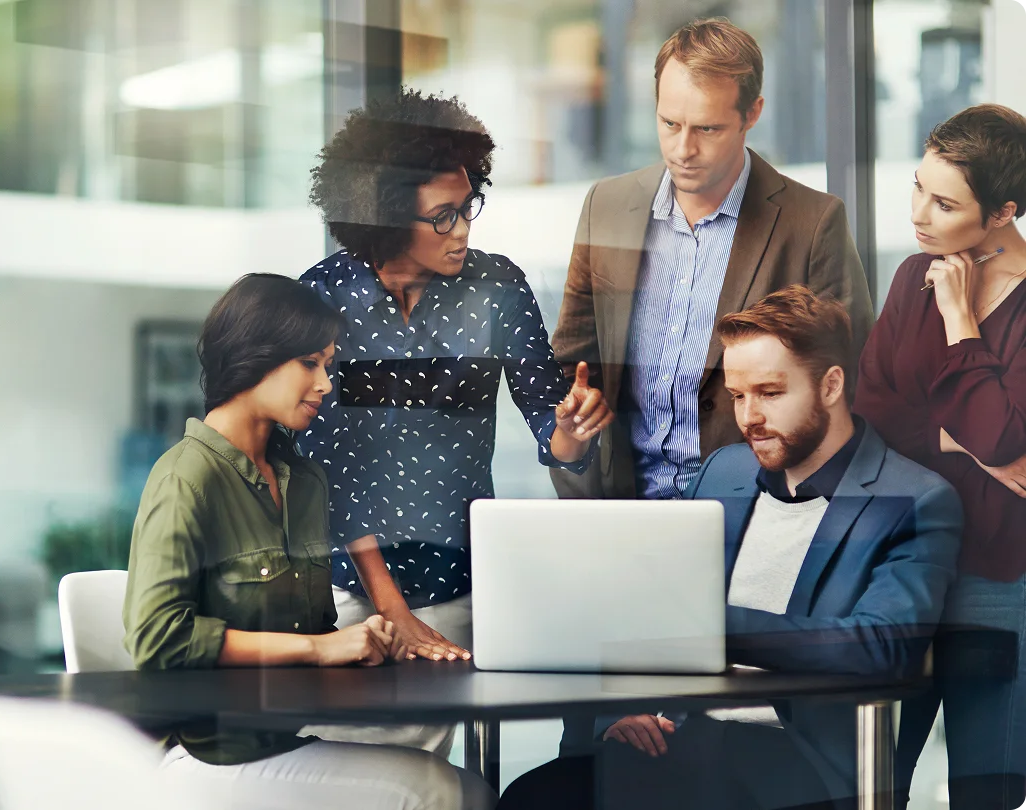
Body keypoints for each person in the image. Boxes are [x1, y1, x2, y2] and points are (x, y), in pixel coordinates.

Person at [500, 286, 962, 810]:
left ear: (831, 385)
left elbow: (884, 647)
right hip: (682, 738)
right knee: (532, 798)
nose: (749, 417)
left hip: (799, 761)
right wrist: (622, 711)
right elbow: (647, 606)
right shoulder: (724, 470)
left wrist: (712, 628)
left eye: (769, 392)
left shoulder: (914, 498)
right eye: (739, 395)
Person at [122, 274, 495, 810]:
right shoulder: (185, 478)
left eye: (328, 365)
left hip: (284, 741)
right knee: (440, 793)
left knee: (468, 790)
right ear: (255, 358)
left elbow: (312, 629)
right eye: (309, 364)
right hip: (208, 758)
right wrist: (320, 648)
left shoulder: (304, 482)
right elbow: (157, 640)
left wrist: (363, 643)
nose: (325, 384)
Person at [298, 88, 612, 669]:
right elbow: (323, 471)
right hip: (347, 592)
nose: (462, 229)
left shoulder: (497, 289)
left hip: (460, 585)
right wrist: (392, 610)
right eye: (443, 216)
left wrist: (572, 428)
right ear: (386, 217)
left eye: (469, 206)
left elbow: (551, 424)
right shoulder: (323, 297)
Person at [548, 17, 873, 504]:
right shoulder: (607, 207)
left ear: (752, 113)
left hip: (756, 513)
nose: (684, 149)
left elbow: (850, 387)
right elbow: (572, 365)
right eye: (669, 123)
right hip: (622, 509)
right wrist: (570, 434)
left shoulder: (812, 224)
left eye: (708, 128)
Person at [854, 103, 1026, 809]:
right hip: (902, 570)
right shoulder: (908, 278)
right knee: (868, 781)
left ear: (1002, 214)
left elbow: (1003, 438)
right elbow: (872, 413)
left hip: (999, 578)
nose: (921, 214)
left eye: (946, 203)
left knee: (989, 789)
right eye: (918, 188)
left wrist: (960, 321)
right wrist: (965, 440)